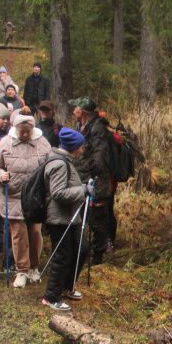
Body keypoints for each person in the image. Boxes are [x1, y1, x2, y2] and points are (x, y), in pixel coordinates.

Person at [0, 108, 51, 288]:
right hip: (13, 196)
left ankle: (34, 267)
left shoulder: (42, 143)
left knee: (35, 232)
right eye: (22, 131)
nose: (25, 134)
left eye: (28, 131)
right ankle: (22, 270)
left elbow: (51, 167)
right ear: (15, 129)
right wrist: (0, 175)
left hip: (35, 196)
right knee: (19, 234)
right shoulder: (5, 142)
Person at [41, 127, 92, 311]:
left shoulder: (66, 161)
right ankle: (51, 296)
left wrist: (84, 187)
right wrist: (83, 191)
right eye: (80, 146)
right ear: (73, 147)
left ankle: (66, 286)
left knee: (81, 248)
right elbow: (58, 193)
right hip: (59, 218)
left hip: (70, 216)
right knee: (62, 257)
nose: (82, 150)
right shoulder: (59, 164)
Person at [70, 97, 113, 265]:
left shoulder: (98, 127)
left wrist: (94, 173)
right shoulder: (79, 126)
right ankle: (81, 250)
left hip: (97, 180)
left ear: (83, 111)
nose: (73, 110)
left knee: (98, 219)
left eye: (76, 108)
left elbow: (100, 153)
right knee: (82, 216)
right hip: (80, 176)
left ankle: (98, 256)